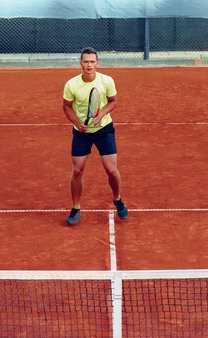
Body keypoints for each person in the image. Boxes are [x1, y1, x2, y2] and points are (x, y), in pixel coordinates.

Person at [62, 47, 129, 225]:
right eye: (86, 61)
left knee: (111, 170)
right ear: (80, 64)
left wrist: (101, 115)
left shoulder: (107, 81)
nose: (89, 65)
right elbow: (67, 106)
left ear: (97, 63)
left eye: (92, 62)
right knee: (77, 170)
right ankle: (76, 207)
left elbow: (113, 101)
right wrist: (77, 122)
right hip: (81, 133)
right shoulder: (71, 84)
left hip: (104, 130)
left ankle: (117, 199)